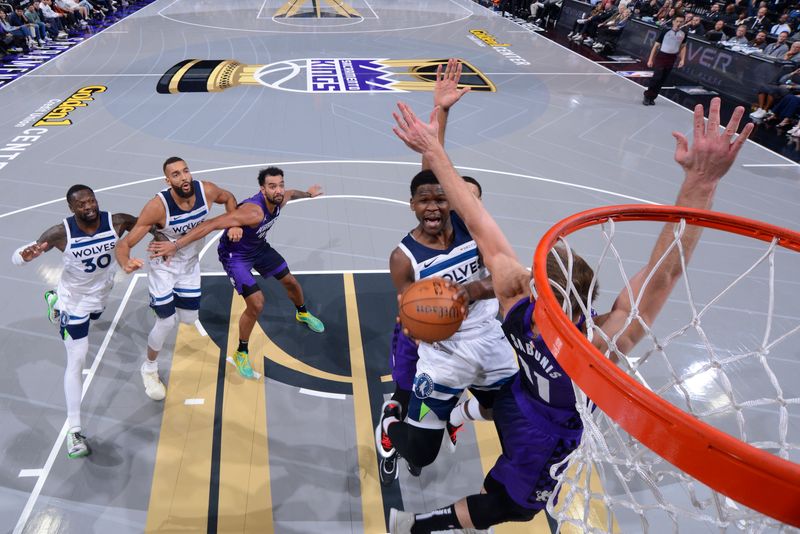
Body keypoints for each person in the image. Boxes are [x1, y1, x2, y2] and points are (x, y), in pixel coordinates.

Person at [386, 98, 752, 533]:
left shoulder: (518, 304)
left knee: (502, 463)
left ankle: (462, 423)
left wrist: (437, 150)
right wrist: (701, 183)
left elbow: (476, 216)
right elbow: (665, 273)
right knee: (515, 506)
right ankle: (419, 525)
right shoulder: (596, 344)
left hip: (515, 391)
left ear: (537, 287)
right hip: (546, 429)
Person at [378, 59, 518, 487]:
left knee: (510, 413)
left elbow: (506, 282)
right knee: (421, 452)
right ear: (413, 206)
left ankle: (461, 411)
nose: (435, 206)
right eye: (425, 201)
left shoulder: (469, 229)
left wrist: (442, 112)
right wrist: (431, 320)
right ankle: (390, 429)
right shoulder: (403, 257)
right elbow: (409, 315)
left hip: (489, 340)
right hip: (441, 354)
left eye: (442, 198)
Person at [148, 167, 325, 379]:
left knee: (291, 283)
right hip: (236, 256)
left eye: (280, 185)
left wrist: (308, 193)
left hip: (258, 248)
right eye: (272, 186)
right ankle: (242, 351)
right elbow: (210, 224)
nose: (278, 190)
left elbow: (292, 193)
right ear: (262, 189)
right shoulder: (253, 212)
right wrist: (175, 246)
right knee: (257, 303)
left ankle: (302, 312)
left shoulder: (280, 198)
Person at [11, 185, 139, 458]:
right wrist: (23, 256)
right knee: (77, 360)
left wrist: (165, 244)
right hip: (75, 301)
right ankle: (75, 431)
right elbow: (21, 257)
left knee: (96, 317)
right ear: (72, 208)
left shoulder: (118, 221)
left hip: (100, 294)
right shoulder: (60, 233)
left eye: (91, 200)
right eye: (81, 204)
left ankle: (53, 300)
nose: (89, 206)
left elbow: (146, 226)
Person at [115, 157, 239, 400]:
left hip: (190, 265)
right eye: (176, 174)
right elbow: (125, 243)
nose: (183, 178)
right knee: (166, 321)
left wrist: (234, 222)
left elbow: (230, 198)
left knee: (189, 319)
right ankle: (149, 368)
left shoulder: (207, 190)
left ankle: (163, 306)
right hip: (164, 267)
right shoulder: (158, 207)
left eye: (185, 171)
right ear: (167, 180)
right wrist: (126, 262)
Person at [643, 14, 687, 106]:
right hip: (662, 56)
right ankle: (647, 96)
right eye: (677, 21)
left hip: (672, 58)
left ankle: (653, 97)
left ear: (683, 22)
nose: (679, 23)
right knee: (657, 77)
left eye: (681, 22)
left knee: (663, 79)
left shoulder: (683, 34)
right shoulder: (665, 31)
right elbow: (656, 46)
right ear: (673, 21)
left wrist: (682, 59)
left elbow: (683, 47)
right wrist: (650, 59)